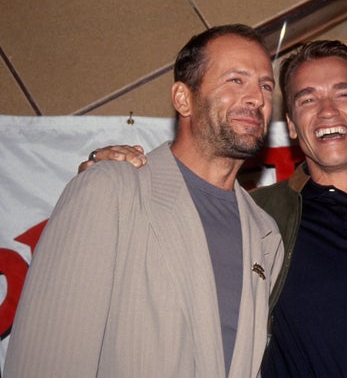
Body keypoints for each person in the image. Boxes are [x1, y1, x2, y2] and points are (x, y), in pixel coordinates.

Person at [77, 40, 347, 377]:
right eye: (308, 100)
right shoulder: (252, 217)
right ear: (290, 125)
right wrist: (120, 174)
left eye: (344, 94)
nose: (327, 111)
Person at [4, 24, 284, 377]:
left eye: (266, 85)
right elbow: (44, 363)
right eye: (235, 80)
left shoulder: (265, 234)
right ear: (183, 98)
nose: (257, 98)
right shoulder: (111, 189)